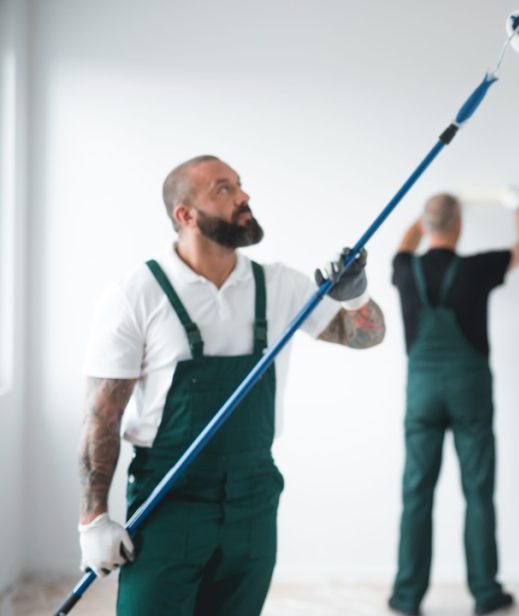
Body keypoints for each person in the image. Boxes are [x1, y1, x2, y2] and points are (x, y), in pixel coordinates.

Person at [78, 155, 386, 615]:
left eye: (240, 185)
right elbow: (103, 415)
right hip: (168, 501)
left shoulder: (279, 286)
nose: (244, 197)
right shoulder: (138, 293)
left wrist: (355, 293)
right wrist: (94, 519)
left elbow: (366, 335)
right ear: (185, 215)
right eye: (224, 189)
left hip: (253, 500)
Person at [388, 191, 519, 615]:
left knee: (416, 493)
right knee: (478, 493)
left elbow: (405, 241)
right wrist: (517, 205)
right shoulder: (477, 267)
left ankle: (406, 596)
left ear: (426, 225)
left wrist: (429, 212)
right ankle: (486, 593)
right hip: (469, 391)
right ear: (459, 227)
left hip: (422, 394)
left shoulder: (403, 267)